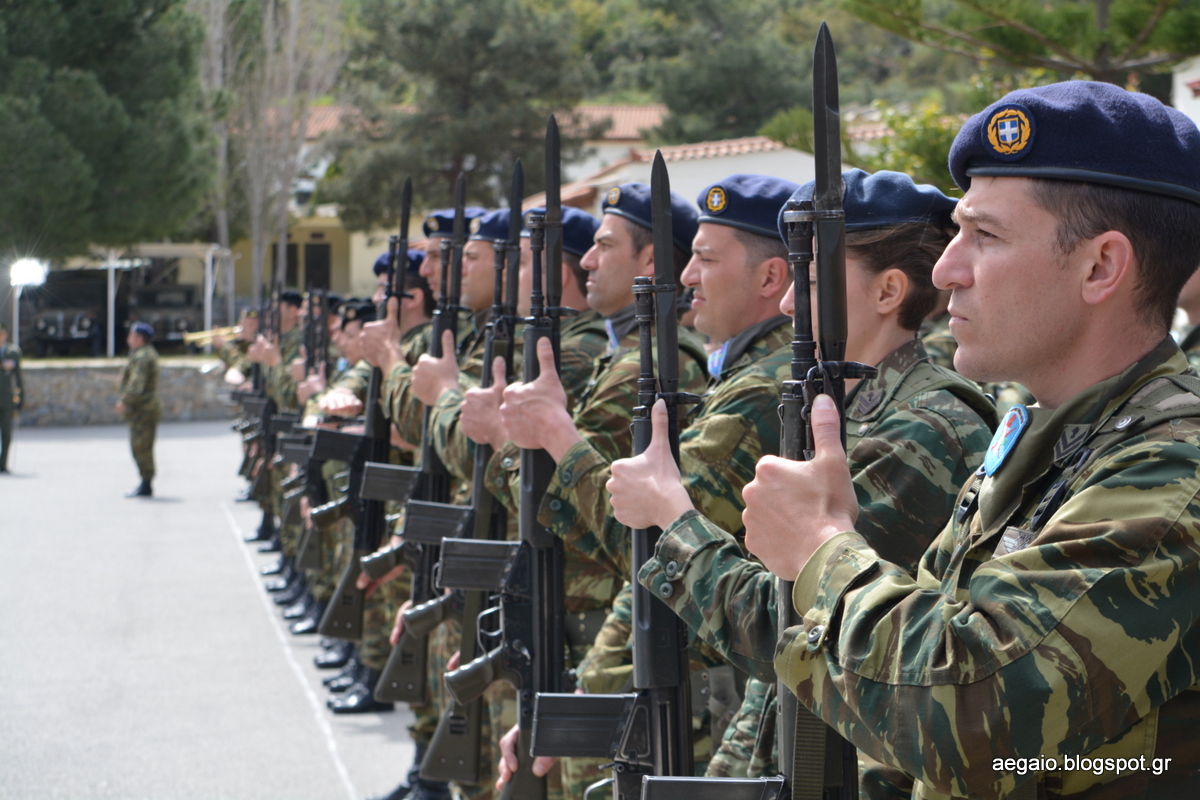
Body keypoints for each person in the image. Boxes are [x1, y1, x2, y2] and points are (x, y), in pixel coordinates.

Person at [742, 81, 1200, 798]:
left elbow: (968, 714)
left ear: (1102, 267)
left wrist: (818, 550)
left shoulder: (1174, 473)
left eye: (984, 237)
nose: (944, 269)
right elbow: (899, 733)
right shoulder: (1046, 443)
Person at [604, 169, 996, 789]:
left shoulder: (927, 429)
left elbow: (778, 624)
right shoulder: (846, 414)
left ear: (889, 290)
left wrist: (671, 517)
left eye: (809, 282)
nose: (789, 305)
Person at [116, 321, 160, 497]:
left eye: (132, 336)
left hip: (143, 410)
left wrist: (125, 400)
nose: (128, 339)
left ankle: (146, 483)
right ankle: (145, 482)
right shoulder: (144, 354)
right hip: (145, 409)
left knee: (141, 447)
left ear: (140, 338)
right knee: (142, 446)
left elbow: (136, 384)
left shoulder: (142, 357)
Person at [0, 322, 22, 474]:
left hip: (7, 398)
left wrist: (21, 397)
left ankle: (3, 464)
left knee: (6, 433)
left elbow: (18, 377)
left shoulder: (13, 352)